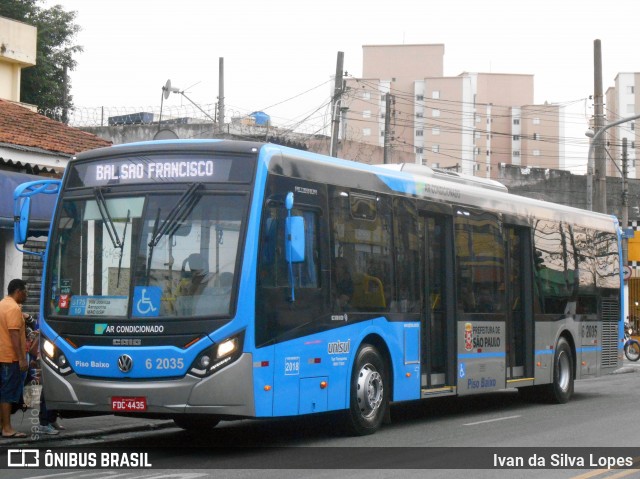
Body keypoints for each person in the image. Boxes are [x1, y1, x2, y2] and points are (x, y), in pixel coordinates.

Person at [0, 279, 29, 438]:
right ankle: (7, 428)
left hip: (2, 355)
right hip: (10, 358)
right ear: (18, 291)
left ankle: (2, 425)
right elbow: (14, 334)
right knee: (8, 394)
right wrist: (21, 359)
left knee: (4, 392)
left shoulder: (2, 304)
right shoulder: (13, 308)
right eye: (25, 291)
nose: (27, 295)